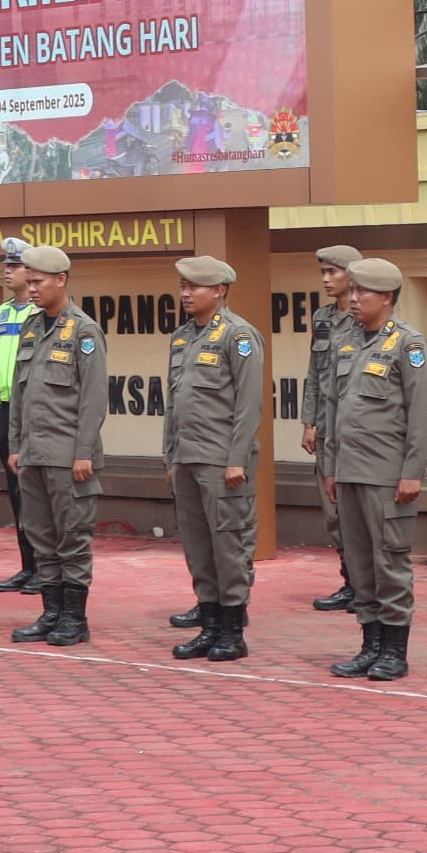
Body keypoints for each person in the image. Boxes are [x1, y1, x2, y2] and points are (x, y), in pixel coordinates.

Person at [321, 256, 427, 681]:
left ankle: (394, 652)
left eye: (361, 291)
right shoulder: (346, 341)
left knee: (389, 563)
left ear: (386, 297)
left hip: (386, 473)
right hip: (349, 470)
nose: (352, 298)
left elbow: (421, 414)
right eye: (350, 290)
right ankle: (369, 645)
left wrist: (412, 471)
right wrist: (331, 466)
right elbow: (333, 408)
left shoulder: (408, 344)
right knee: (361, 563)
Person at [5, 243, 108, 646]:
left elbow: (93, 399)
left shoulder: (84, 331)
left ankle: (74, 619)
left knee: (72, 539)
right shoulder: (31, 327)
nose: (31, 288)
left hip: (68, 456)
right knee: (41, 537)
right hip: (33, 454)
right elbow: (19, 393)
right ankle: (51, 613)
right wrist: (15, 445)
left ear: (61, 280)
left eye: (38, 282)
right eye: (28, 281)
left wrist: (83, 452)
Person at [163, 253, 264, 661]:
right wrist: (169, 453)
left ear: (220, 290)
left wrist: (236, 458)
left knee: (228, 547)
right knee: (198, 547)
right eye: (183, 286)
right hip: (187, 457)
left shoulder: (238, 336)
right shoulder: (182, 336)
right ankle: (208, 626)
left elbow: (249, 405)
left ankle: (232, 633)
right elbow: (173, 402)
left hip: (222, 461)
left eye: (195, 286)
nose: (186, 293)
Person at [303, 245, 366, 614]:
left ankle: (367, 586)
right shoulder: (322, 318)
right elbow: (314, 372)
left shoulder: (366, 316)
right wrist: (309, 421)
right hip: (327, 428)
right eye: (323, 272)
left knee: (360, 513)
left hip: (357, 429)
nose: (326, 280)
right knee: (333, 513)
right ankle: (350, 582)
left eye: (333, 272)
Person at [0, 241, 44, 598]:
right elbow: (1, 363)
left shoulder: (39, 313)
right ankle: (27, 566)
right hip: (7, 406)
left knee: (33, 493)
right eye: (6, 266)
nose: (7, 271)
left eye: (15, 266)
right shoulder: (4, 311)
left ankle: (43, 567)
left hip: (32, 410)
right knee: (16, 492)